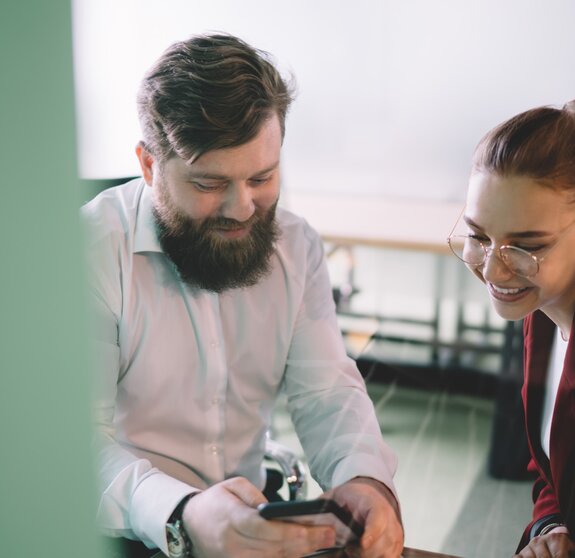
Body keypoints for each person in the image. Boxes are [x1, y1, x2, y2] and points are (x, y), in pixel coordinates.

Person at [82, 33, 403, 558]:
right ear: (148, 166)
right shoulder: (91, 251)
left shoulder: (295, 248)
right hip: (116, 530)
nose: (242, 207)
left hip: (251, 524)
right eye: (209, 184)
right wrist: (182, 512)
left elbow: (325, 393)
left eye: (262, 176)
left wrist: (365, 480)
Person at [447, 100, 575, 557]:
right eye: (479, 236)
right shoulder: (541, 316)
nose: (495, 272)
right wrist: (552, 527)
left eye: (526, 246)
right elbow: (553, 470)